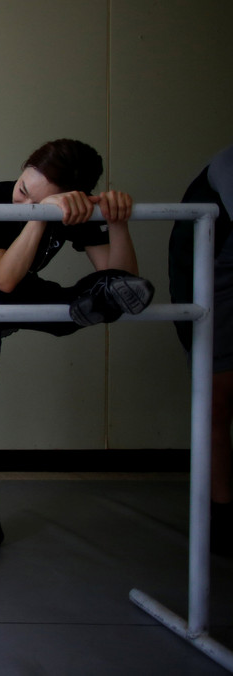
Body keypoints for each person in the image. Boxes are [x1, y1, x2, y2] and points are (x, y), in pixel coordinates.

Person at [0, 138, 155, 554]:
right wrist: (40, 216)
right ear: (21, 171)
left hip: (16, 282)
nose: (23, 202)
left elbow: (123, 278)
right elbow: (1, 278)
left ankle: (81, 303)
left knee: (97, 298)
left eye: (38, 200)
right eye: (23, 190)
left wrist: (116, 220)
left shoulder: (75, 206)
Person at [168, 143, 233, 557]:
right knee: (216, 398)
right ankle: (222, 515)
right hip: (216, 279)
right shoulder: (225, 168)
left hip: (213, 273)